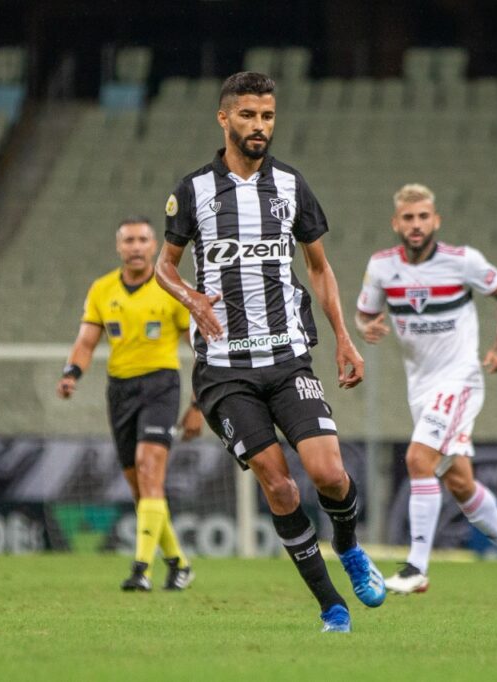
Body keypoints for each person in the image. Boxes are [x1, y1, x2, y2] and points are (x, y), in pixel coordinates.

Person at [155, 71, 385, 633]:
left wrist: (344, 338)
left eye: (268, 116)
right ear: (224, 118)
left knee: (328, 472)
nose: (260, 126)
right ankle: (332, 605)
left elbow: (319, 267)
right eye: (249, 116)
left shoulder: (290, 184)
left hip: (287, 357)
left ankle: (350, 547)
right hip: (225, 370)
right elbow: (165, 267)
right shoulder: (192, 192)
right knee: (277, 483)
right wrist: (190, 298)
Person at [354, 184, 497, 599]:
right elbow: (364, 316)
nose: (415, 226)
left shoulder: (462, 262)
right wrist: (368, 328)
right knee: (459, 482)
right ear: (395, 223)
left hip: (460, 379)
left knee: (418, 458)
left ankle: (416, 566)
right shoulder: (381, 267)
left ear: (436, 220)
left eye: (423, 217)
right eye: (408, 218)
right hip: (420, 386)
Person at [57, 218, 204, 592]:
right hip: (120, 390)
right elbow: (87, 342)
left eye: (142, 240)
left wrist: (198, 405)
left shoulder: (172, 289)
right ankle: (179, 563)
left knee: (149, 467)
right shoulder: (102, 289)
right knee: (142, 488)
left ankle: (142, 569)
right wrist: (72, 373)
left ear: (154, 245)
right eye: (129, 241)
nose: (136, 247)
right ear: (119, 247)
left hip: (161, 386)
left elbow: (202, 352)